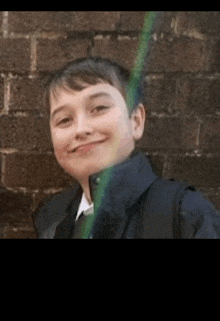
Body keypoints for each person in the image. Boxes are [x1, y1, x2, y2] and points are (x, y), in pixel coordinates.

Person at [33, 57, 220, 238]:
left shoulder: (185, 213)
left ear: (136, 121)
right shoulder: (53, 218)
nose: (81, 129)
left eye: (99, 108)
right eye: (64, 120)